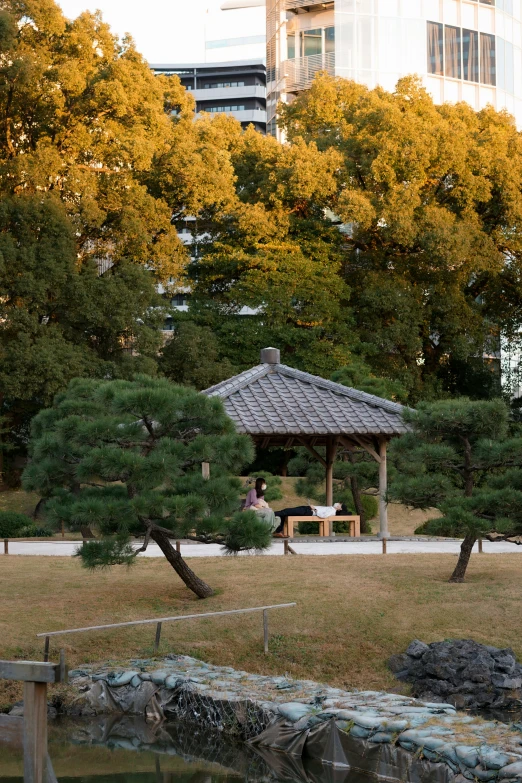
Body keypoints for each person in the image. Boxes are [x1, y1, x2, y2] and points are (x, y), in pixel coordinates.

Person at [273, 502, 347, 537]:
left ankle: (270, 515)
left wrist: (314, 509)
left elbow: (323, 516)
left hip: (308, 511)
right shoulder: (331, 508)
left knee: (285, 512)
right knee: (285, 512)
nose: (338, 503)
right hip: (307, 509)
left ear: (339, 508)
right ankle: (279, 531)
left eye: (340, 504)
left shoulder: (332, 511)